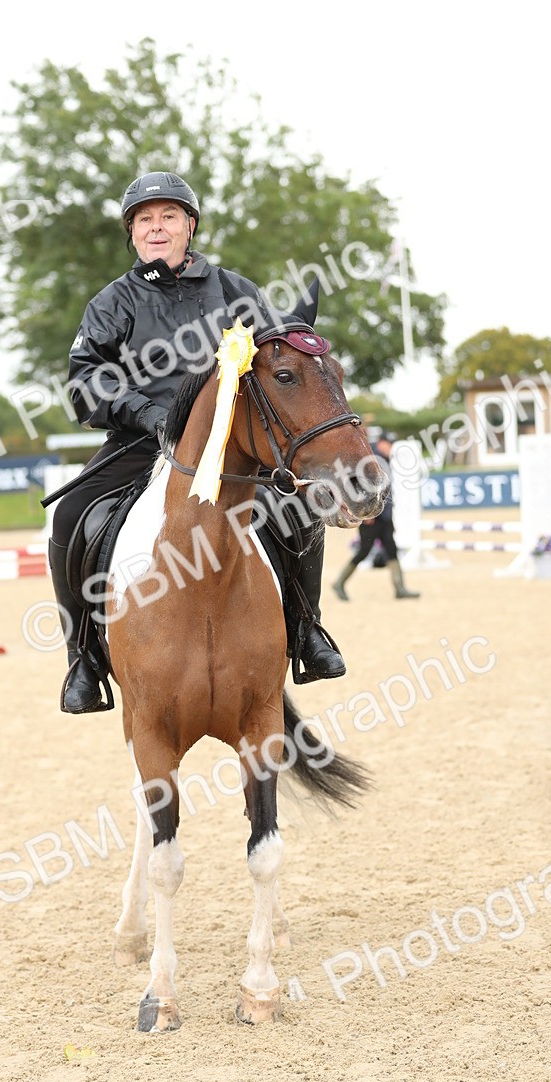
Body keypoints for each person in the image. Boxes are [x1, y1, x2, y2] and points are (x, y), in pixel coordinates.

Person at [50, 170, 346, 714]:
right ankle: (84, 659)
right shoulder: (111, 303)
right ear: (132, 233)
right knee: (71, 515)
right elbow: (86, 378)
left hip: (231, 447)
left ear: (190, 226)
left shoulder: (236, 291)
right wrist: (150, 414)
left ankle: (307, 630)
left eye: (167, 217)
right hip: (142, 441)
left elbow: (275, 355)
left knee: (298, 510)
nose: (155, 228)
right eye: (144, 219)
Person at [331, 432, 420, 601]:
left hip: (385, 515)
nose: (391, 447)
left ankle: (399, 587)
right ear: (380, 443)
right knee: (364, 551)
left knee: (391, 549)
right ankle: (339, 582)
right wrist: (364, 513)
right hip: (371, 517)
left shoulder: (385, 459)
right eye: (388, 444)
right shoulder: (371, 460)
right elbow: (360, 485)